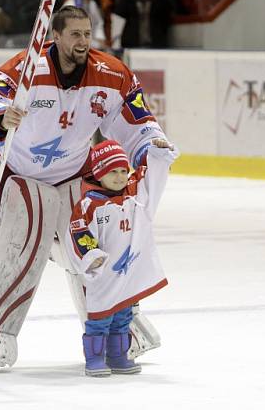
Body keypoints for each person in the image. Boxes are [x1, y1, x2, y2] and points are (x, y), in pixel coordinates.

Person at [0, 5, 170, 369]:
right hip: (11, 173)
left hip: (72, 172)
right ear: (56, 36)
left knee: (97, 243)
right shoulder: (23, 70)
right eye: (75, 34)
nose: (83, 41)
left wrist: (151, 141)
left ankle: (120, 327)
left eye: (87, 34)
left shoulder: (111, 74)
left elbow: (136, 118)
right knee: (13, 243)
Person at [63, 138, 178, 377]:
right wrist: (90, 256)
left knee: (123, 317)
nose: (119, 176)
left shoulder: (136, 197)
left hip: (128, 274)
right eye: (112, 171)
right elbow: (77, 232)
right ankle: (94, 358)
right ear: (99, 173)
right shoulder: (89, 205)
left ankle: (117, 356)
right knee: (99, 319)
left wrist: (158, 153)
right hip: (104, 275)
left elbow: (152, 178)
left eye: (124, 170)